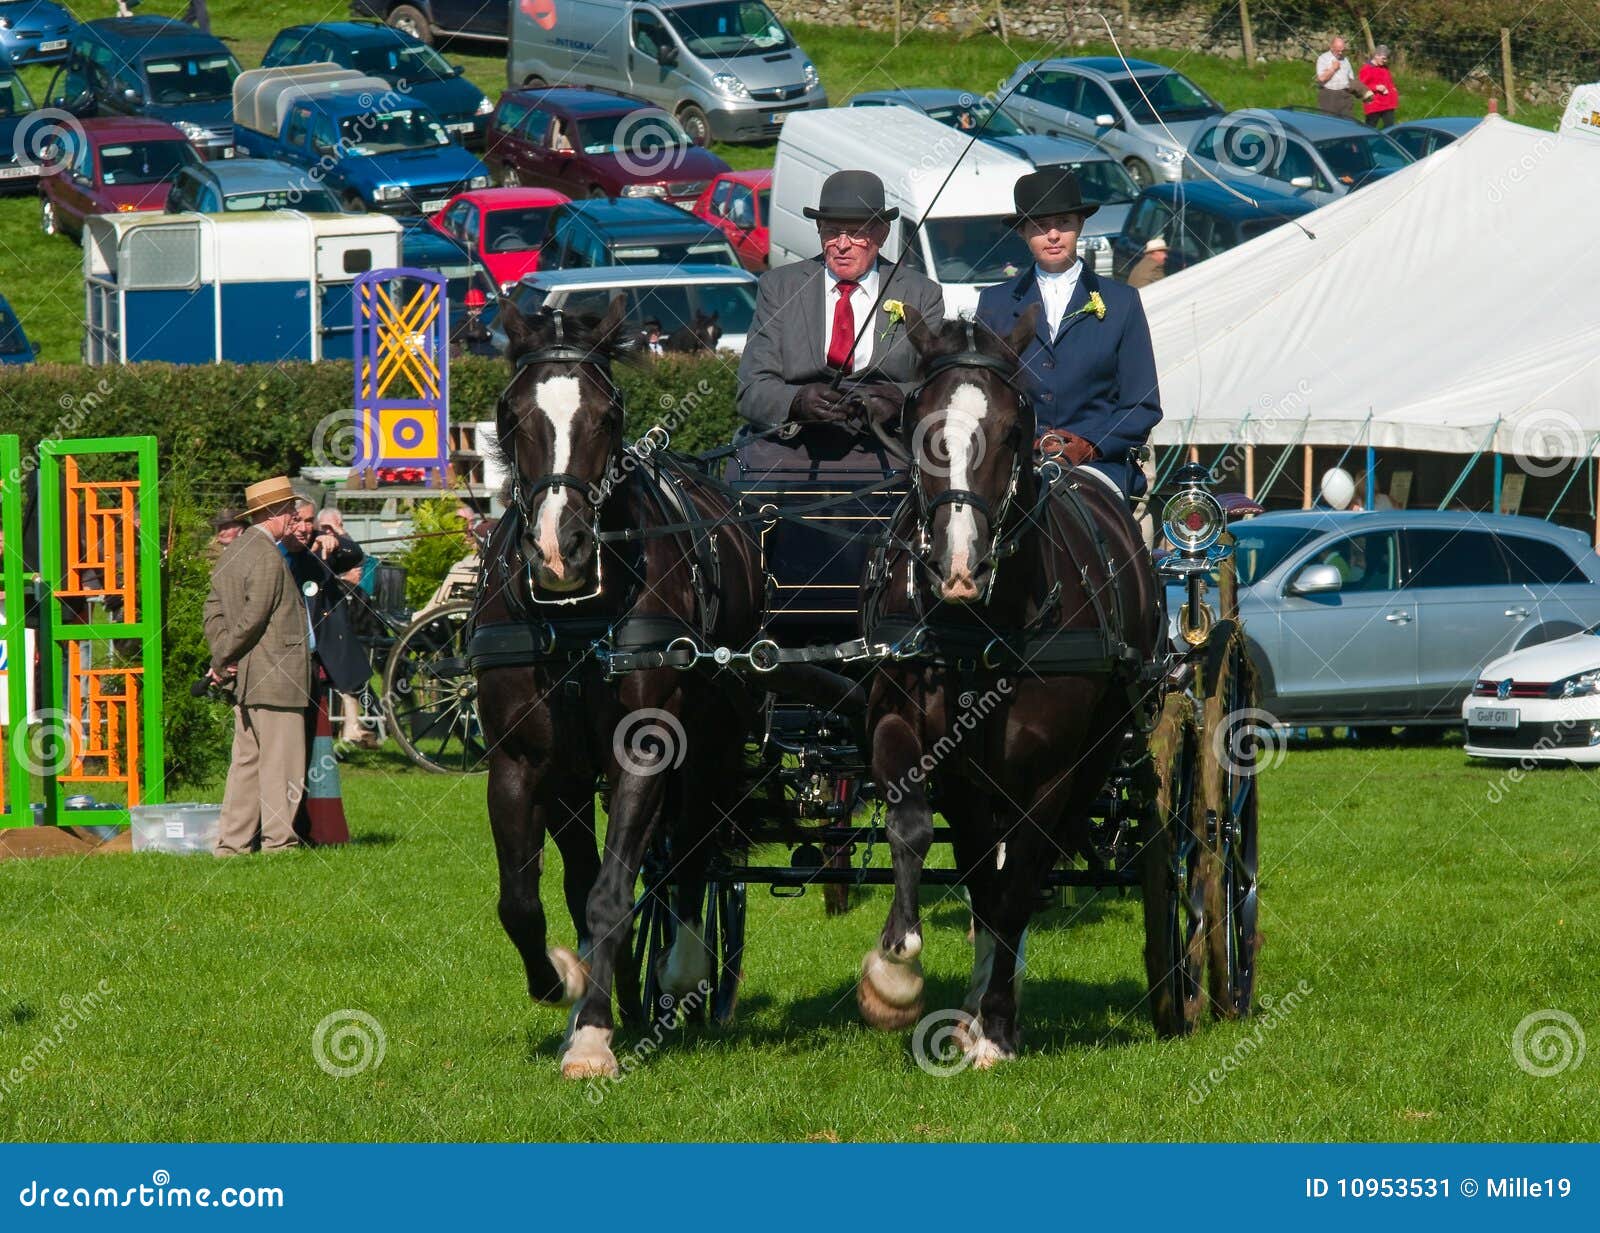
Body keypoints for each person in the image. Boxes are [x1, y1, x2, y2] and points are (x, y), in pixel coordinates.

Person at [975, 167, 1162, 497]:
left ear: (1080, 224)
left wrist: (1090, 445)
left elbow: (1142, 404)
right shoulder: (994, 303)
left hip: (1098, 466)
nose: (1053, 235)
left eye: (1063, 223)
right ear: (1022, 232)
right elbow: (983, 398)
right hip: (1016, 465)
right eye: (1039, 226)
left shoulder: (1122, 301)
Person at [736, 168, 944, 435]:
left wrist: (898, 399)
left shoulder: (921, 293)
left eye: (857, 233)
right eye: (832, 232)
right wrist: (796, 401)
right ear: (818, 230)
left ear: (882, 234)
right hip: (795, 448)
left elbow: (939, 384)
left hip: (886, 449)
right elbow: (752, 388)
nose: (842, 245)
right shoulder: (779, 287)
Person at [203, 477, 312, 856]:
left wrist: (222, 654)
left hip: (247, 678)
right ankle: (279, 843)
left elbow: (213, 610)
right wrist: (223, 658)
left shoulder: (233, 551)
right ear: (272, 513)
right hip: (276, 674)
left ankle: (231, 845)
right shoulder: (267, 555)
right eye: (289, 511)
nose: (295, 518)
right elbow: (253, 619)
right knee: (282, 765)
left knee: (246, 764)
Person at [283, 501, 376, 751]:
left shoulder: (321, 551)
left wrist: (334, 537)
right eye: (297, 521)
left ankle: (350, 730)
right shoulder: (275, 553)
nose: (304, 527)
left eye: (308, 521)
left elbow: (355, 555)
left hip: (320, 644)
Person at [1314, 36, 1371, 119]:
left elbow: (1351, 79)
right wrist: (1333, 68)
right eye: (1338, 50)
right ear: (1331, 47)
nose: (1340, 53)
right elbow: (1321, 78)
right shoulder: (1323, 58)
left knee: (1347, 122)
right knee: (1329, 123)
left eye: (1342, 50)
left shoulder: (1345, 60)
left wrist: (1361, 91)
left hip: (1345, 95)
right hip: (1329, 95)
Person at [1359, 45, 1400, 128]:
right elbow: (1361, 86)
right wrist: (1376, 87)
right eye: (1383, 58)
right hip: (1374, 104)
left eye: (1386, 58)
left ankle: (1386, 140)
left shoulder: (1384, 68)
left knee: (1390, 128)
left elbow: (1389, 83)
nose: (1385, 61)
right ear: (1376, 56)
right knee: (1370, 129)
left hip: (1387, 104)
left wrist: (1393, 91)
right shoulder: (1366, 69)